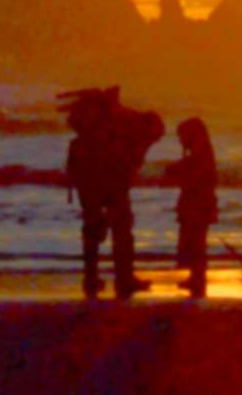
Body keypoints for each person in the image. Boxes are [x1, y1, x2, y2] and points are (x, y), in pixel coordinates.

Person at [61, 87, 162, 299]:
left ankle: (91, 279)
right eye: (154, 139)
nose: (152, 143)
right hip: (107, 180)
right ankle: (124, 280)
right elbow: (123, 162)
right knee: (121, 230)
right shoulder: (129, 126)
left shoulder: (119, 121)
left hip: (86, 176)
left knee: (92, 229)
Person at [168, 117, 219, 299]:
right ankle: (196, 276)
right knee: (195, 240)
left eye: (182, 136)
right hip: (197, 202)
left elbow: (197, 176)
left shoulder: (201, 154)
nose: (181, 141)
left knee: (196, 241)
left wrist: (179, 170)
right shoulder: (202, 152)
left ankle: (198, 277)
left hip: (198, 203)